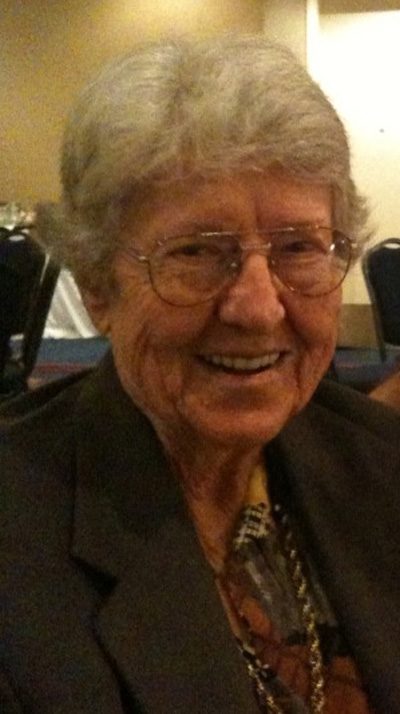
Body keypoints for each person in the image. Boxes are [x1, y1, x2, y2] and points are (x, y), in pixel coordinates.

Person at [1, 35, 400, 714]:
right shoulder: (18, 543)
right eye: (195, 252)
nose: (259, 307)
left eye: (299, 247)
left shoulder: (382, 462)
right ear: (97, 284)